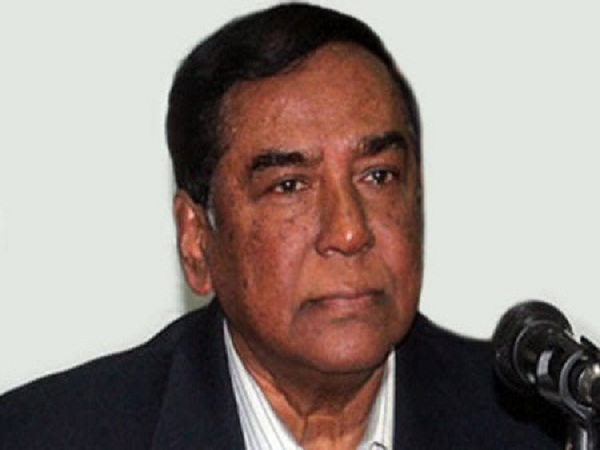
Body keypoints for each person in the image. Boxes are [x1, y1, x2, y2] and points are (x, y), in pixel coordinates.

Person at [0, 3, 565, 449]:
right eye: (289, 186)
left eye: (378, 176)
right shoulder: (48, 436)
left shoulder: (547, 428)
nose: (349, 232)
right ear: (196, 242)